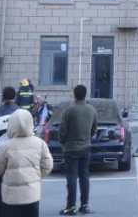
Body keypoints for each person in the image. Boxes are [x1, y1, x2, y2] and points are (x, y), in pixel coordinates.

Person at [0, 109, 53, 217]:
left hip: (11, 196)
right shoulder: (40, 143)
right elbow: (48, 165)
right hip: (32, 194)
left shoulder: (4, 146)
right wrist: (36, 176)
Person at [58, 85, 98, 215]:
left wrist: (63, 142)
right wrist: (87, 138)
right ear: (85, 95)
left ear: (74, 95)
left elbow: (62, 130)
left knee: (71, 178)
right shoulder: (91, 110)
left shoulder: (69, 110)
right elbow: (94, 129)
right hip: (85, 147)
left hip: (70, 148)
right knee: (84, 176)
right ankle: (85, 205)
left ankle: (71, 206)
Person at [0, 87, 23, 217]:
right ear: (15, 97)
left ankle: (1, 212)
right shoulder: (22, 114)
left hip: (0, 156)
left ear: (2, 97)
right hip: (19, 156)